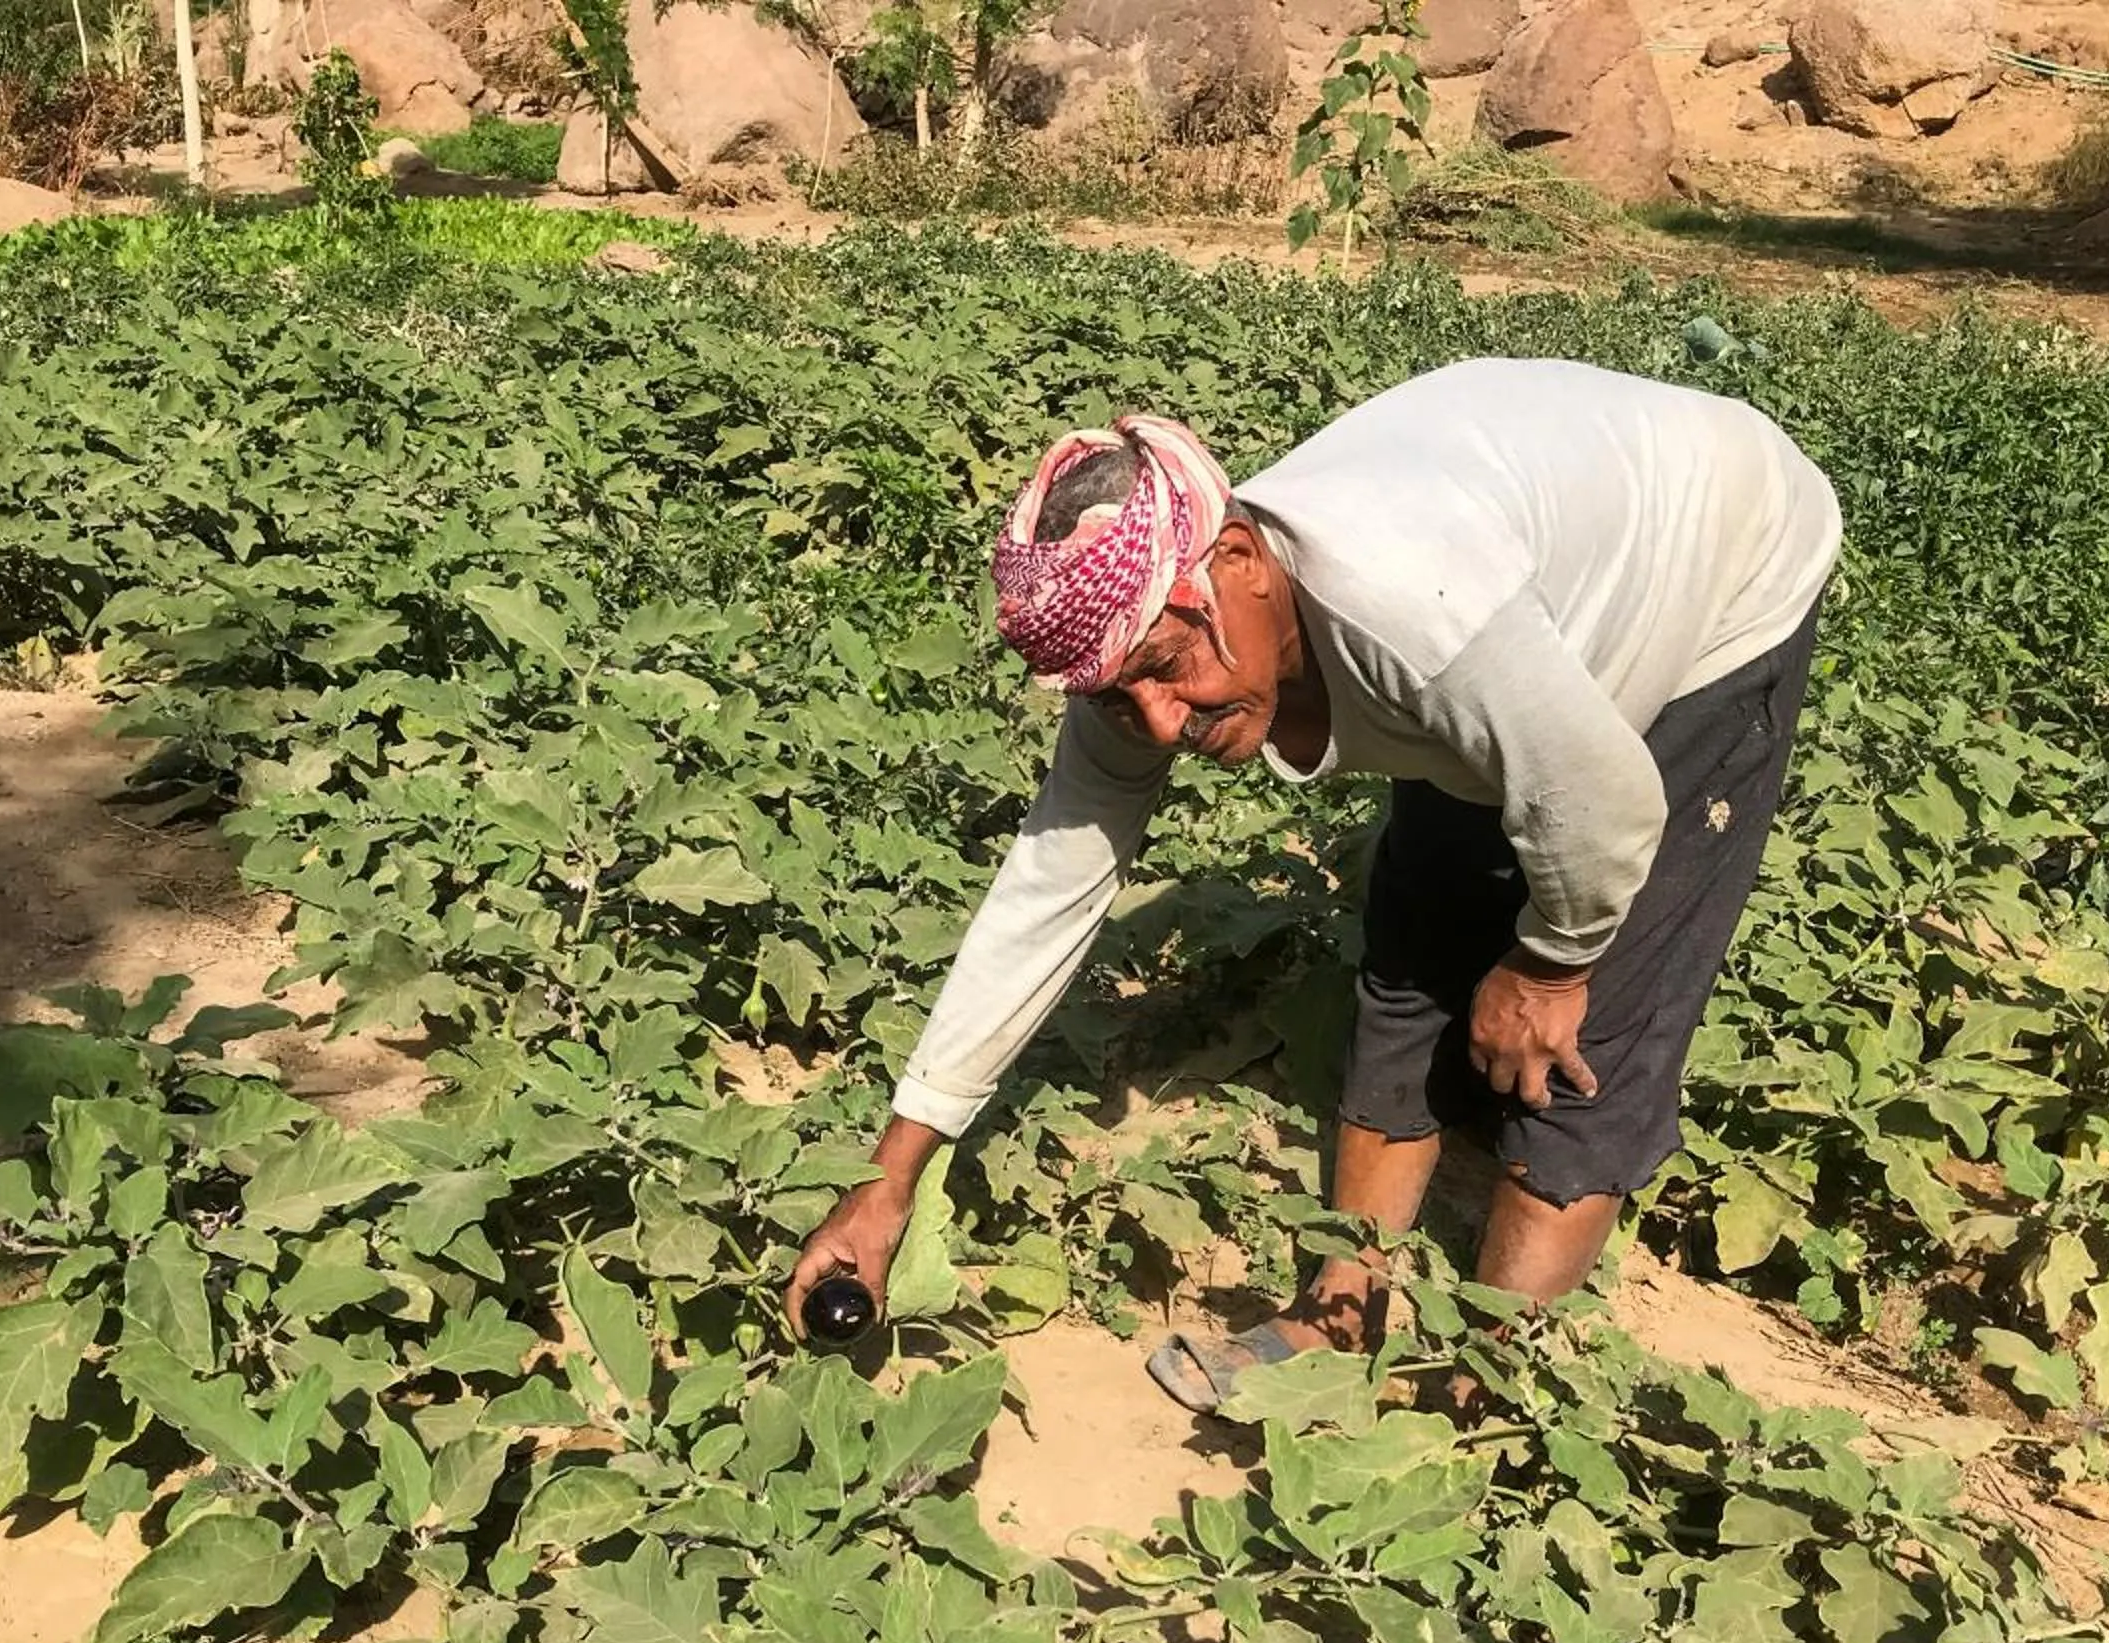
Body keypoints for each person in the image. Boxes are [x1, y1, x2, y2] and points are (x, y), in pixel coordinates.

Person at [785, 356, 1844, 1412]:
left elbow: (1609, 807)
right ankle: (1345, 1306)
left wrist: (1550, 960)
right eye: (1119, 698)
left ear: (1239, 560)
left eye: (1164, 669)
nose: (1161, 724)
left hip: (1720, 557)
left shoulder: (1415, 618)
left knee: (1586, 1030)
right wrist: (893, 1176)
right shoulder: (1144, 649)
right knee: (1418, 938)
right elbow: (1047, 890)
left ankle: (1486, 1380)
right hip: (1518, 586)